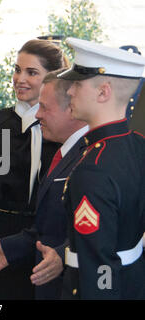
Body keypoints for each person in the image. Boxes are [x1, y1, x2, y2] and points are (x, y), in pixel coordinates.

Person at [0, 68, 88, 299]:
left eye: (44, 107)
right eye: (16, 70)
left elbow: (92, 228)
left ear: (71, 105)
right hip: (8, 238)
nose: (37, 115)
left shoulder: (89, 154)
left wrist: (61, 254)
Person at [58, 37, 145, 299]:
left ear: (103, 92)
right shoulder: (137, 145)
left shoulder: (94, 168)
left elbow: (99, 265)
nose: (70, 91)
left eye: (76, 84)